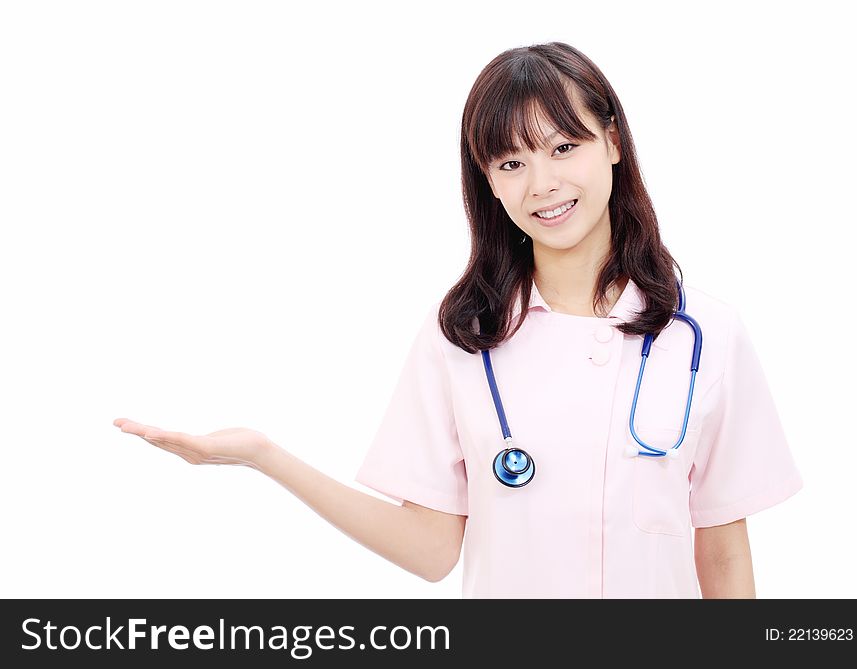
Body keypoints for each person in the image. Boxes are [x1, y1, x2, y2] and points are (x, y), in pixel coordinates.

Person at [114, 41, 803, 598]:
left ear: (613, 143)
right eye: (512, 160)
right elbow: (430, 550)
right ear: (488, 180)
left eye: (565, 147)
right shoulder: (463, 339)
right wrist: (265, 456)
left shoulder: (703, 334)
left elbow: (721, 549)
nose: (543, 184)